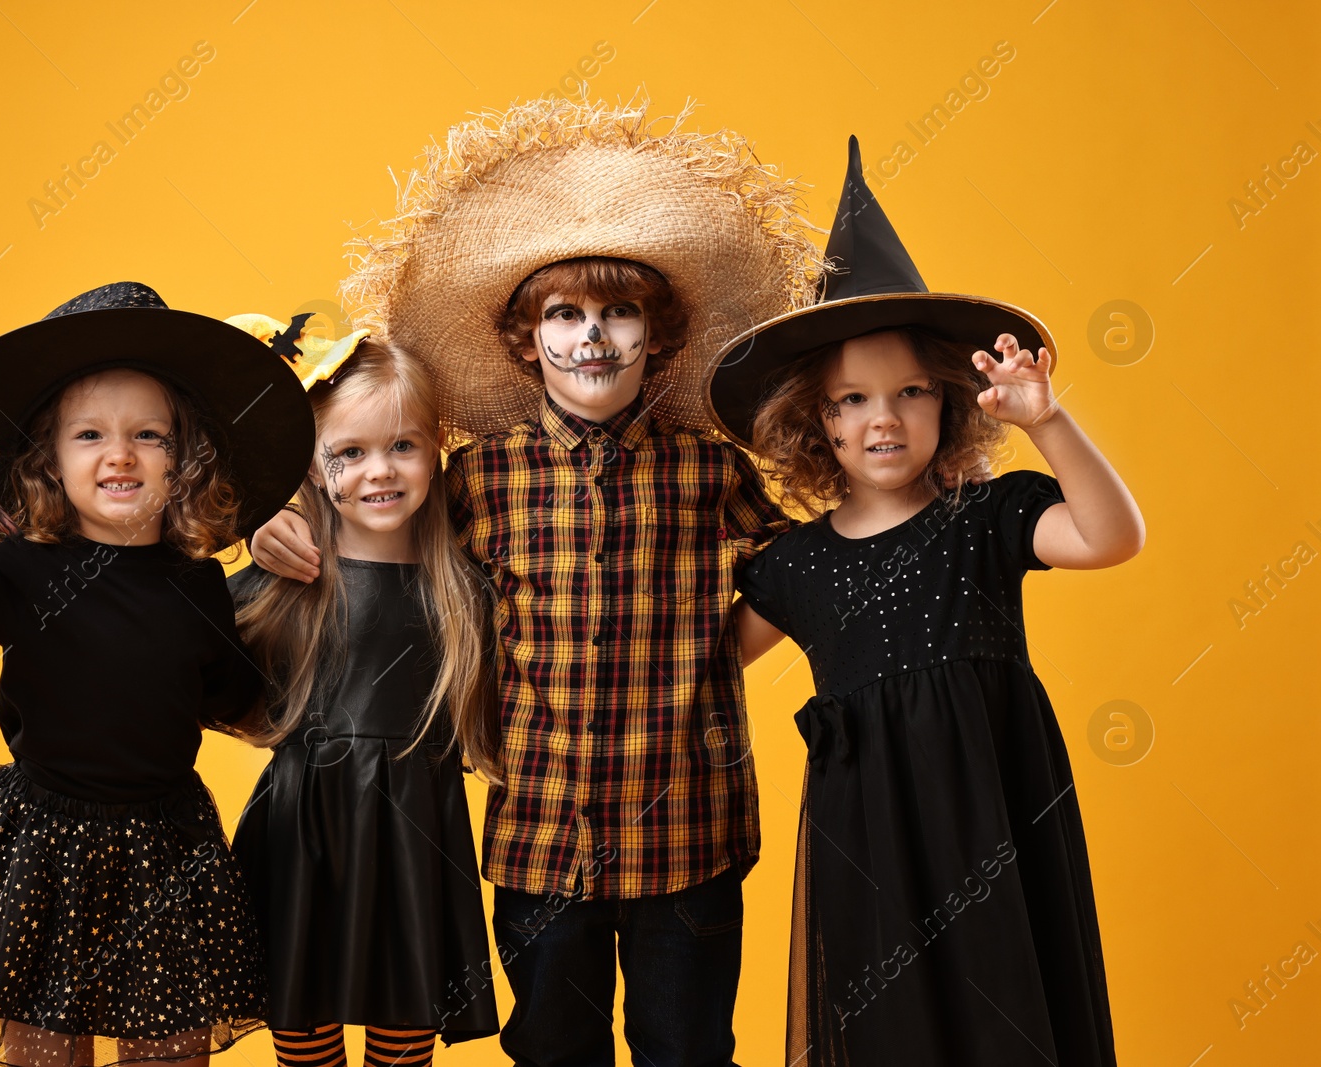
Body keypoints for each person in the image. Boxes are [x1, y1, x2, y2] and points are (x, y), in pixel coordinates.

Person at [252, 99, 823, 1067]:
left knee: (684, 1045)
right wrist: (274, 516)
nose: (591, 337)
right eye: (564, 313)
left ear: (658, 334)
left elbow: (800, 568)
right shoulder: (481, 478)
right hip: (539, 835)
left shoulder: (705, 467)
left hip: (688, 827)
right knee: (554, 1045)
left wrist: (723, 645)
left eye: (617, 311)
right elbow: (376, 530)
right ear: (526, 340)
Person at [709, 138, 1143, 1066]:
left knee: (1013, 1014)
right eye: (854, 398)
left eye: (910, 392)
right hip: (873, 848)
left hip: (997, 817)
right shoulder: (797, 566)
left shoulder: (987, 521)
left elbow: (1111, 536)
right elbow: (696, 661)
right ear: (818, 418)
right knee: (891, 1026)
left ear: (950, 403)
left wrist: (1049, 422)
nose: (884, 419)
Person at [0, 281, 314, 1066]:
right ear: (46, 458)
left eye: (150, 434)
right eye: (89, 435)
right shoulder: (17, 569)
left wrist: (311, 585)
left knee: (171, 1048)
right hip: (45, 843)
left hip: (167, 850)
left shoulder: (199, 581)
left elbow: (247, 705)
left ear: (187, 456)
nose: (120, 454)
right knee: (45, 1047)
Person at [222, 325, 501, 1065]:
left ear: (437, 448)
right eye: (349, 452)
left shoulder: (465, 585)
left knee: (405, 1022)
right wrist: (247, 522)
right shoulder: (286, 577)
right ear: (311, 467)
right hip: (302, 827)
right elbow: (177, 635)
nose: (380, 470)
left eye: (403, 446)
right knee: (302, 1018)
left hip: (415, 827)